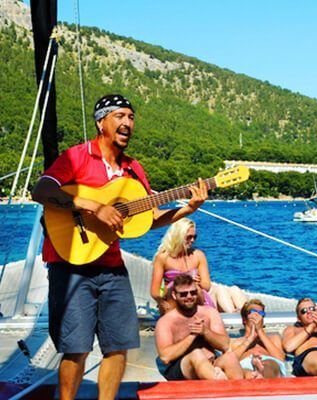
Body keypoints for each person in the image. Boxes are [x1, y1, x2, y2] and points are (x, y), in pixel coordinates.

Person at [31, 94, 208, 400]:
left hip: (111, 267)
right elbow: (42, 190)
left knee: (118, 346)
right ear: (101, 122)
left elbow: (148, 220)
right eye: (120, 116)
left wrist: (188, 209)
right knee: (76, 348)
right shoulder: (77, 156)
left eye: (131, 117)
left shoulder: (133, 170)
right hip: (70, 263)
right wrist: (93, 206)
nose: (128, 123)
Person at [154, 275, 244, 380]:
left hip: (211, 362)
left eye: (193, 293)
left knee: (230, 357)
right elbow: (165, 357)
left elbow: (225, 345)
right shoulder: (166, 321)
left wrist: (206, 332)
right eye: (183, 294)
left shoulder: (209, 313)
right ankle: (219, 382)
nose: (189, 297)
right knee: (197, 354)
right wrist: (192, 336)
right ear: (174, 295)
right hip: (182, 368)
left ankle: (237, 391)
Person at [151, 218, 247, 314]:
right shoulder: (163, 258)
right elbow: (154, 291)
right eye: (189, 237)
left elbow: (206, 285)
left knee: (233, 290)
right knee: (221, 291)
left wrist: (197, 281)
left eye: (194, 237)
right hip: (177, 299)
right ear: (178, 236)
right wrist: (162, 302)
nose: (192, 240)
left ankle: (244, 313)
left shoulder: (198, 255)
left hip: (198, 296)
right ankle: (235, 314)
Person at [229, 299, 287, 378]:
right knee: (243, 370)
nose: (257, 315)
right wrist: (250, 339)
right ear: (244, 319)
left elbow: (280, 359)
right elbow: (229, 361)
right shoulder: (235, 342)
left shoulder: (273, 338)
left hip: (270, 364)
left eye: (260, 313)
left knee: (270, 364)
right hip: (245, 364)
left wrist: (260, 331)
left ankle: (261, 371)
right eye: (252, 311)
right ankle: (256, 374)